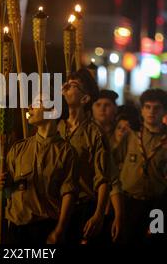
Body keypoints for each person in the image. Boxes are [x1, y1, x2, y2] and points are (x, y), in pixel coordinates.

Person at [0, 92, 79, 244]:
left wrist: (59, 230)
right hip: (16, 228)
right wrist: (3, 184)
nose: (29, 107)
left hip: (45, 228)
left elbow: (69, 193)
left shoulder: (66, 151)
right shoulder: (18, 149)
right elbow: (5, 193)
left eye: (37, 102)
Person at [58, 68, 122, 243]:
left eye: (73, 86)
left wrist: (98, 214)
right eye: (66, 84)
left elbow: (104, 179)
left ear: (85, 99)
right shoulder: (57, 128)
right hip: (55, 206)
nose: (65, 88)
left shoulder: (94, 133)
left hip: (82, 207)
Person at [115, 89, 167, 244]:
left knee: (155, 241)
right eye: (147, 107)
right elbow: (114, 165)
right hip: (129, 202)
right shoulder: (131, 135)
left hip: (157, 206)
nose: (151, 112)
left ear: (165, 111)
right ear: (141, 110)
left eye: (157, 108)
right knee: (127, 240)